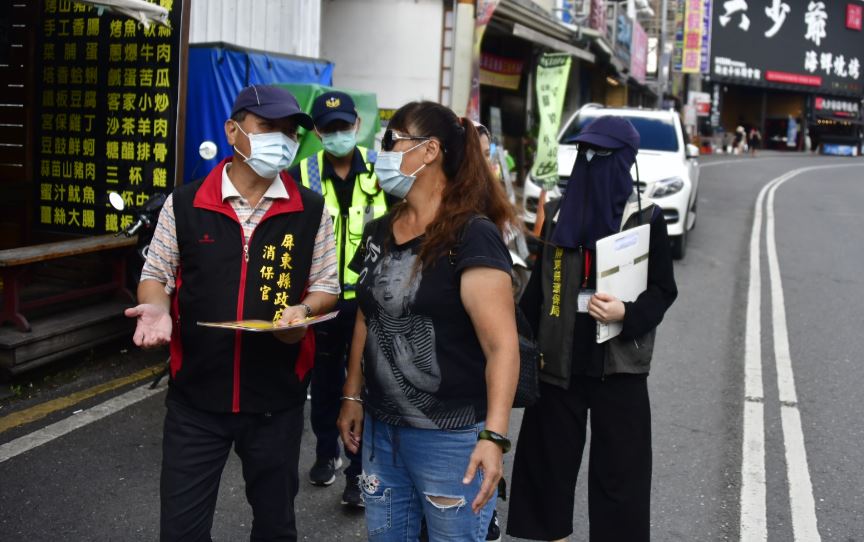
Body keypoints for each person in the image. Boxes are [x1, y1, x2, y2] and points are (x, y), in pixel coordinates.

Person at [124, 85, 340, 541]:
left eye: (289, 133)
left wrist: (301, 312)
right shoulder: (185, 204)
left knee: (276, 526)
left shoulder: (311, 210)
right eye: (267, 128)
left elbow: (325, 286)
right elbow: (156, 275)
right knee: (181, 530)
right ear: (233, 130)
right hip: (195, 400)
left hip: (275, 402)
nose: (280, 141)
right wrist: (158, 310)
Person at [336, 101, 520, 541]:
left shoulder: (472, 236)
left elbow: (502, 347)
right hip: (382, 436)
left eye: (391, 140)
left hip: (451, 440)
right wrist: (352, 396)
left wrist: (493, 439)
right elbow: (368, 314)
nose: (383, 151)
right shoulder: (381, 229)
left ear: (429, 150)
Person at [506, 116, 678, 542]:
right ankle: (553, 535)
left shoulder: (643, 219)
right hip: (558, 362)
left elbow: (662, 290)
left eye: (602, 154)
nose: (591, 161)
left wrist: (626, 310)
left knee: (621, 473)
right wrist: (505, 328)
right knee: (548, 463)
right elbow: (538, 291)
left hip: (618, 366)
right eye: (586, 152)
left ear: (625, 161)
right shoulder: (560, 214)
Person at [287, 91, 387, 507]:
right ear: (317, 132)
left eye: (344, 126)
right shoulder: (301, 173)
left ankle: (359, 470)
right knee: (325, 380)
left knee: (365, 385)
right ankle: (326, 453)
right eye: (329, 129)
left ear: (357, 127)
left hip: (371, 299)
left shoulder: (381, 170)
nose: (338, 135)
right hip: (323, 299)